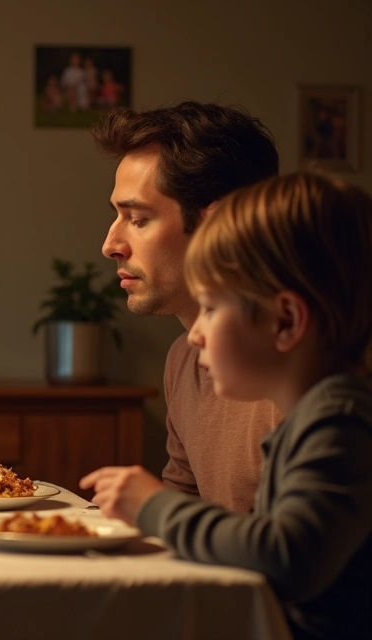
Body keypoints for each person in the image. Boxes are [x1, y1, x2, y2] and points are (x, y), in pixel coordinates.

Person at [82, 172, 372, 640]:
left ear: (286, 321)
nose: (195, 334)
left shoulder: (338, 421)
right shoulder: (314, 418)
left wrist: (156, 506)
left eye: (213, 309)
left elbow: (288, 556)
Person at [92, 101, 280, 514]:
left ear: (217, 225)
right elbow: (181, 515)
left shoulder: (299, 373)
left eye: (138, 219)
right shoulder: (182, 361)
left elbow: (297, 555)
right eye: (116, 216)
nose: (110, 246)